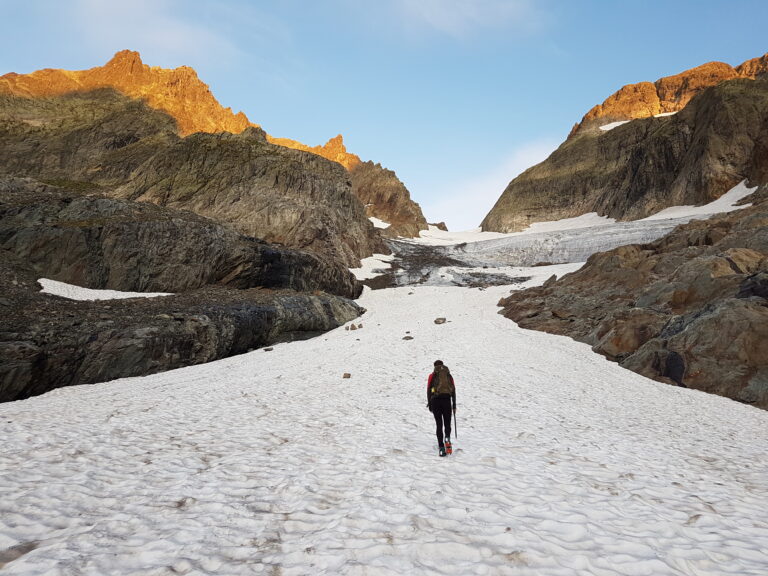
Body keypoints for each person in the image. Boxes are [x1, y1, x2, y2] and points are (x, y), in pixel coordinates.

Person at [427, 360, 456, 457]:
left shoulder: (432, 375)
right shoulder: (449, 375)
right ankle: (447, 438)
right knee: (447, 423)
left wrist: (430, 403)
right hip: (447, 401)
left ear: (435, 367)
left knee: (439, 424)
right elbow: (453, 390)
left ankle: (441, 448)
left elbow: (428, 389)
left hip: (435, 401)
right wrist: (454, 405)